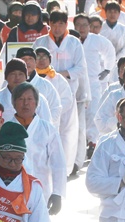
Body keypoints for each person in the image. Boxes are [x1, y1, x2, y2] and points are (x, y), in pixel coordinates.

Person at [33, 9, 91, 176]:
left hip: (67, 91)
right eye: (54, 24)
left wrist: (61, 75)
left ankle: (66, 167)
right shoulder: (40, 42)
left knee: (68, 130)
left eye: (61, 24)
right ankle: (44, 166)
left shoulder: (74, 43)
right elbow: (30, 62)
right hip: (43, 91)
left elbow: (81, 68)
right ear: (49, 24)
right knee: (45, 128)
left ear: (66, 25)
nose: (57, 28)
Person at [10, 81, 67, 214]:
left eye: (29, 99)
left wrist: (57, 193)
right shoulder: (6, 129)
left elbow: (58, 163)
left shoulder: (48, 129)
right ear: (14, 103)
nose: (25, 103)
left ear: (36, 103)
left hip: (41, 189)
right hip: (11, 191)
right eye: (21, 99)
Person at [73, 13, 116, 161]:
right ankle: (79, 144)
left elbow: (110, 52)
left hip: (93, 82)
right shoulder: (71, 41)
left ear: (89, 26)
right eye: (78, 25)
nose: (81, 28)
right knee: (78, 115)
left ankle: (92, 142)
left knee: (93, 113)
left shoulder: (97, 40)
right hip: (75, 81)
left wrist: (107, 70)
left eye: (85, 25)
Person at [0, 58, 53, 123]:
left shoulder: (38, 98)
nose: (17, 77)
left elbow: (47, 124)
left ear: (26, 77)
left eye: (20, 74)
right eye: (13, 74)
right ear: (6, 77)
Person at [16, 47, 62, 129]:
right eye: (23, 59)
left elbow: (55, 108)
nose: (27, 62)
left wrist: (46, 126)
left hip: (39, 132)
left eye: (30, 59)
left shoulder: (46, 85)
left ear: (35, 62)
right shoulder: (9, 83)